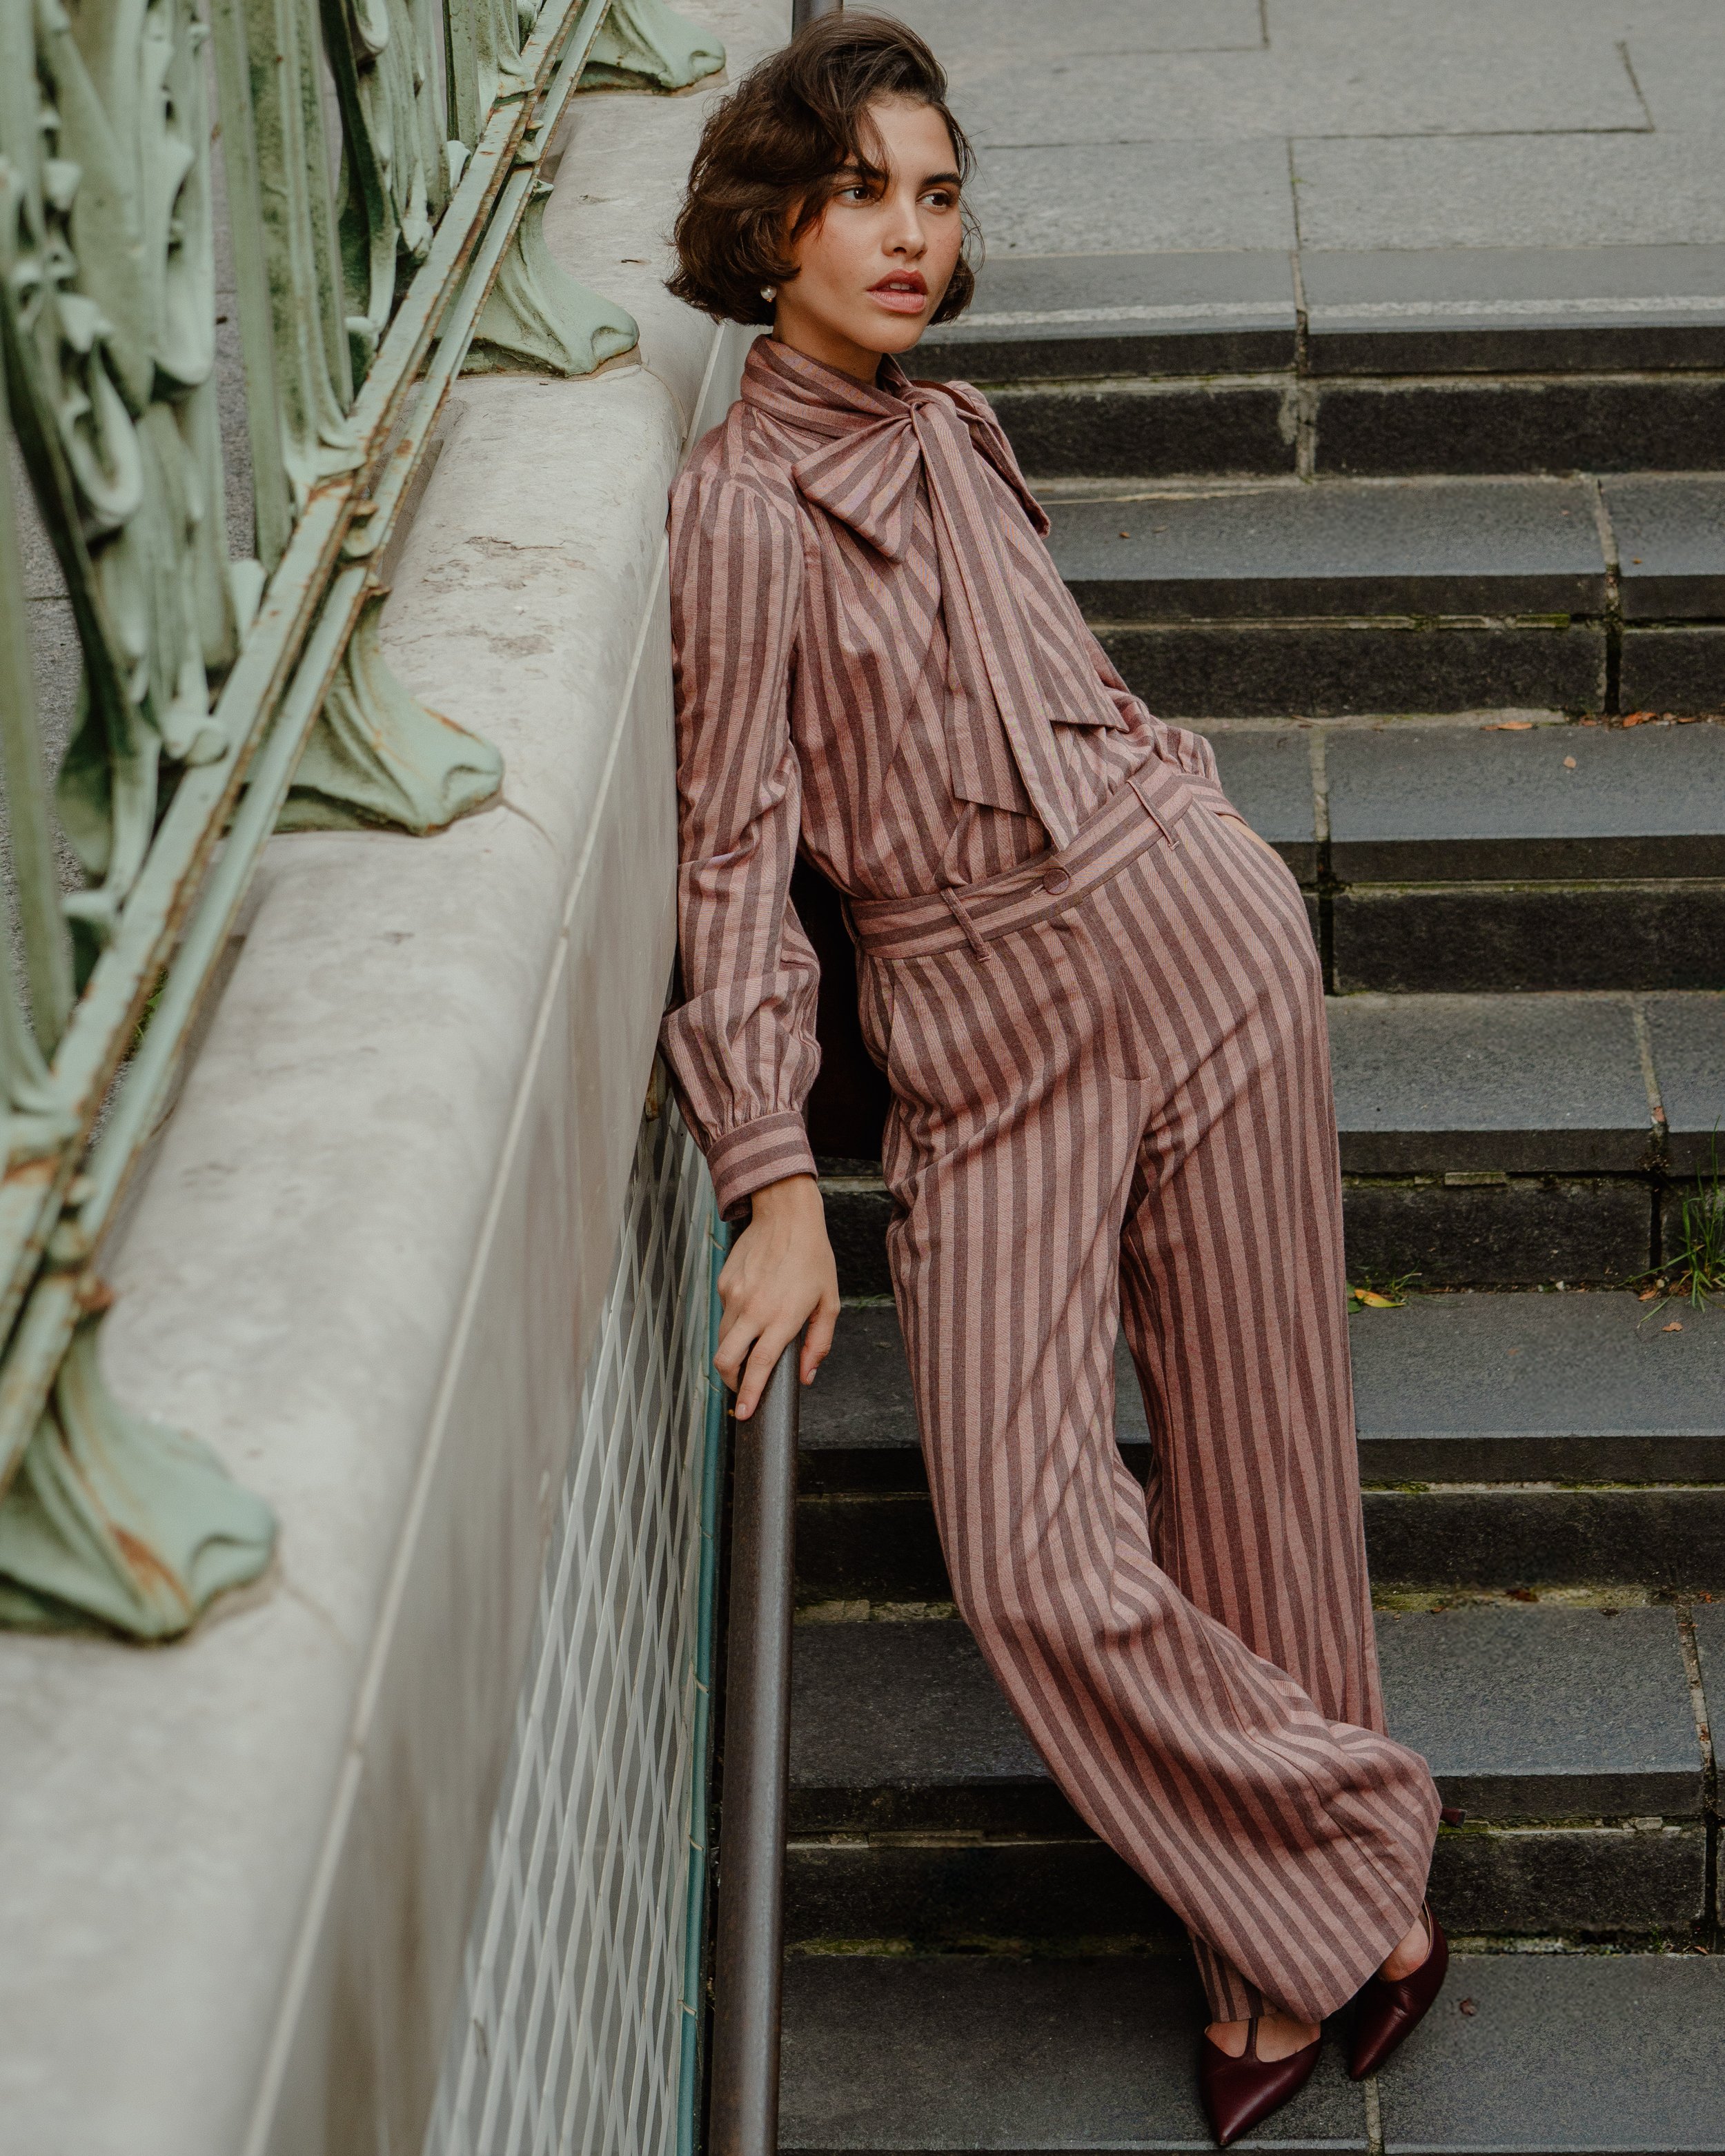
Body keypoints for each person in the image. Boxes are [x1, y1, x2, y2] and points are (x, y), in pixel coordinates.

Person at [660, 15, 1449, 2143]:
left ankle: (1271, 1954)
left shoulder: (958, 426)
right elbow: (728, 855)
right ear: (767, 224)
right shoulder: (738, 510)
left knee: (1260, 1453)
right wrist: (769, 1174)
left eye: (934, 195)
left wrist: (1194, 818)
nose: (906, 236)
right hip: (983, 1031)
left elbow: (1062, 690)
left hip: (1188, 932)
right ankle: (1363, 1853)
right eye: (859, 194)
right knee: (1024, 1544)